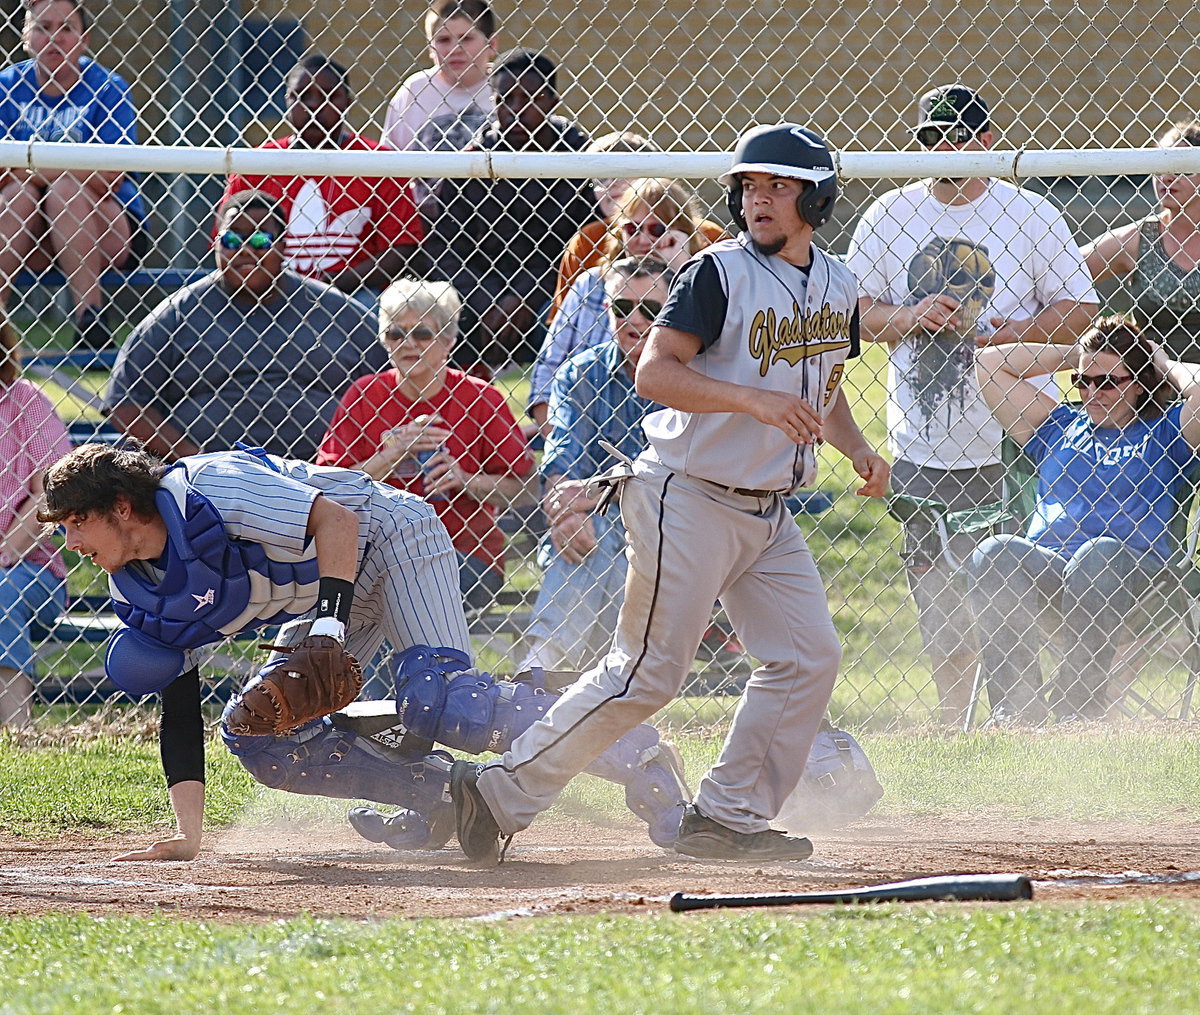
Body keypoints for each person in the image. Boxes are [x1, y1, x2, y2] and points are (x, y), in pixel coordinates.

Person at [448, 123, 890, 864]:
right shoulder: (718, 274)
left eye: (779, 187)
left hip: (767, 510)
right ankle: (497, 791)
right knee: (646, 672)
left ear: (817, 199)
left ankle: (727, 815)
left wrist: (857, 448)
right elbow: (655, 373)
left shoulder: (838, 283)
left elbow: (824, 381)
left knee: (806, 657)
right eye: (750, 186)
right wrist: (752, 402)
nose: (759, 200)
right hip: (687, 496)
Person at [37, 442, 688, 858]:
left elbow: (337, 521)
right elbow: (178, 704)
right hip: (327, 594)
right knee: (263, 734)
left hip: (388, 536)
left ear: (122, 506)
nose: (71, 543)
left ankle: (638, 753)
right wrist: (189, 833)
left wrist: (327, 627)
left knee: (442, 701)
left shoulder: (211, 484)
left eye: (76, 522)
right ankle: (445, 798)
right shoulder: (140, 586)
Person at [845, 84, 1098, 724]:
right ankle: (955, 725)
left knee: (1018, 594)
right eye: (930, 139)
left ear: (988, 141)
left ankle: (1023, 719)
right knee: (937, 599)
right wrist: (910, 316)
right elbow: (852, 312)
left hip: (1018, 438)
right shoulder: (888, 213)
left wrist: (1011, 335)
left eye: (958, 137)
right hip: (924, 441)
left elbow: (1080, 310)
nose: (944, 150)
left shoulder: (1029, 213)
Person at [969, 317, 1200, 724]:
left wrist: (1162, 363)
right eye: (1082, 380)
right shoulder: (1057, 426)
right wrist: (1078, 354)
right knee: (994, 552)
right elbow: (988, 364)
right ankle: (1017, 712)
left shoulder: (1166, 432)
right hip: (1052, 572)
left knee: (1097, 554)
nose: (1092, 393)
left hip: (1134, 576)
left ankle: (1076, 708)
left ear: (1138, 382)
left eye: (1107, 382)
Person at [103, 190, 386, 462]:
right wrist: (195, 461)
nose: (246, 250)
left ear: (283, 244)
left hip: (323, 474)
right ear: (216, 244)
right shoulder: (178, 312)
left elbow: (394, 384)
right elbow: (124, 402)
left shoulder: (339, 312)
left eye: (261, 239)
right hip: (208, 479)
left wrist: (345, 461)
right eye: (232, 239)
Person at [315, 278, 536, 614]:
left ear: (448, 340)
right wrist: (393, 453)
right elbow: (330, 487)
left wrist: (465, 480)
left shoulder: (480, 398)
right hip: (377, 554)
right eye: (395, 333)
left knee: (393, 597)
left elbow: (527, 488)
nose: (408, 344)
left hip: (463, 556)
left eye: (421, 333)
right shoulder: (364, 395)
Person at [518, 259, 670, 673]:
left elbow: (674, 479)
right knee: (592, 534)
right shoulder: (580, 373)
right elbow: (561, 459)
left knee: (603, 533)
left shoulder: (693, 372)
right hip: (595, 524)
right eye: (622, 308)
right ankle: (594, 677)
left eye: (650, 309)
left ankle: (543, 667)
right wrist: (565, 510)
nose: (635, 320)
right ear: (606, 310)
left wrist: (592, 493)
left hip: (673, 526)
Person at [424, 48, 597, 369]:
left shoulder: (581, 159)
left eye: (531, 99)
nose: (516, 110)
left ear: (552, 102)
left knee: (568, 315)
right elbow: (444, 247)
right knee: (440, 319)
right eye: (505, 100)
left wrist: (524, 298)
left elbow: (585, 247)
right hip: (478, 294)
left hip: (551, 291)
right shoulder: (471, 161)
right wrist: (486, 301)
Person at [0, 0, 146, 348]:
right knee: (20, 195)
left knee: (64, 191)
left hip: (104, 230)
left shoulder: (108, 88)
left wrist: (28, 168)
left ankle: (90, 319)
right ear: (25, 37)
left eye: (66, 28)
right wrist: (75, 168)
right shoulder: (5, 87)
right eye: (43, 27)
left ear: (84, 40)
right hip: (28, 235)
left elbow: (110, 178)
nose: (55, 38)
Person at [220, 55, 424, 297]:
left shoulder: (377, 161)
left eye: (328, 96)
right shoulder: (256, 164)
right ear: (287, 101)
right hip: (268, 290)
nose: (314, 105)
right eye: (302, 96)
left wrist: (341, 282)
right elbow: (224, 241)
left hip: (354, 291)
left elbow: (402, 246)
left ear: (347, 102)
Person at [528, 178, 714, 433]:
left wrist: (681, 272)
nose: (643, 239)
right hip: (590, 432)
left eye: (657, 229)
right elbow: (547, 372)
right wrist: (562, 439)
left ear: (680, 234)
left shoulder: (702, 288)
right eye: (632, 228)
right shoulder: (591, 284)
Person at [0, 315, 71, 726]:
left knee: (1, 590)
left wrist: (5, 552)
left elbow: (51, 489)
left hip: (28, 567)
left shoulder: (24, 401)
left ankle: (16, 728)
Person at [1082, 120, 1200, 363]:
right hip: (1155, 380)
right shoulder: (1137, 239)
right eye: (1159, 167)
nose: (1167, 177)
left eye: (1182, 169)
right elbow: (1060, 270)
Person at [382, 0, 496, 154]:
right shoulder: (415, 91)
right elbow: (389, 158)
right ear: (430, 48)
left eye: (466, 38)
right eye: (443, 40)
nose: (455, 49)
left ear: (491, 44)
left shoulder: (508, 87)